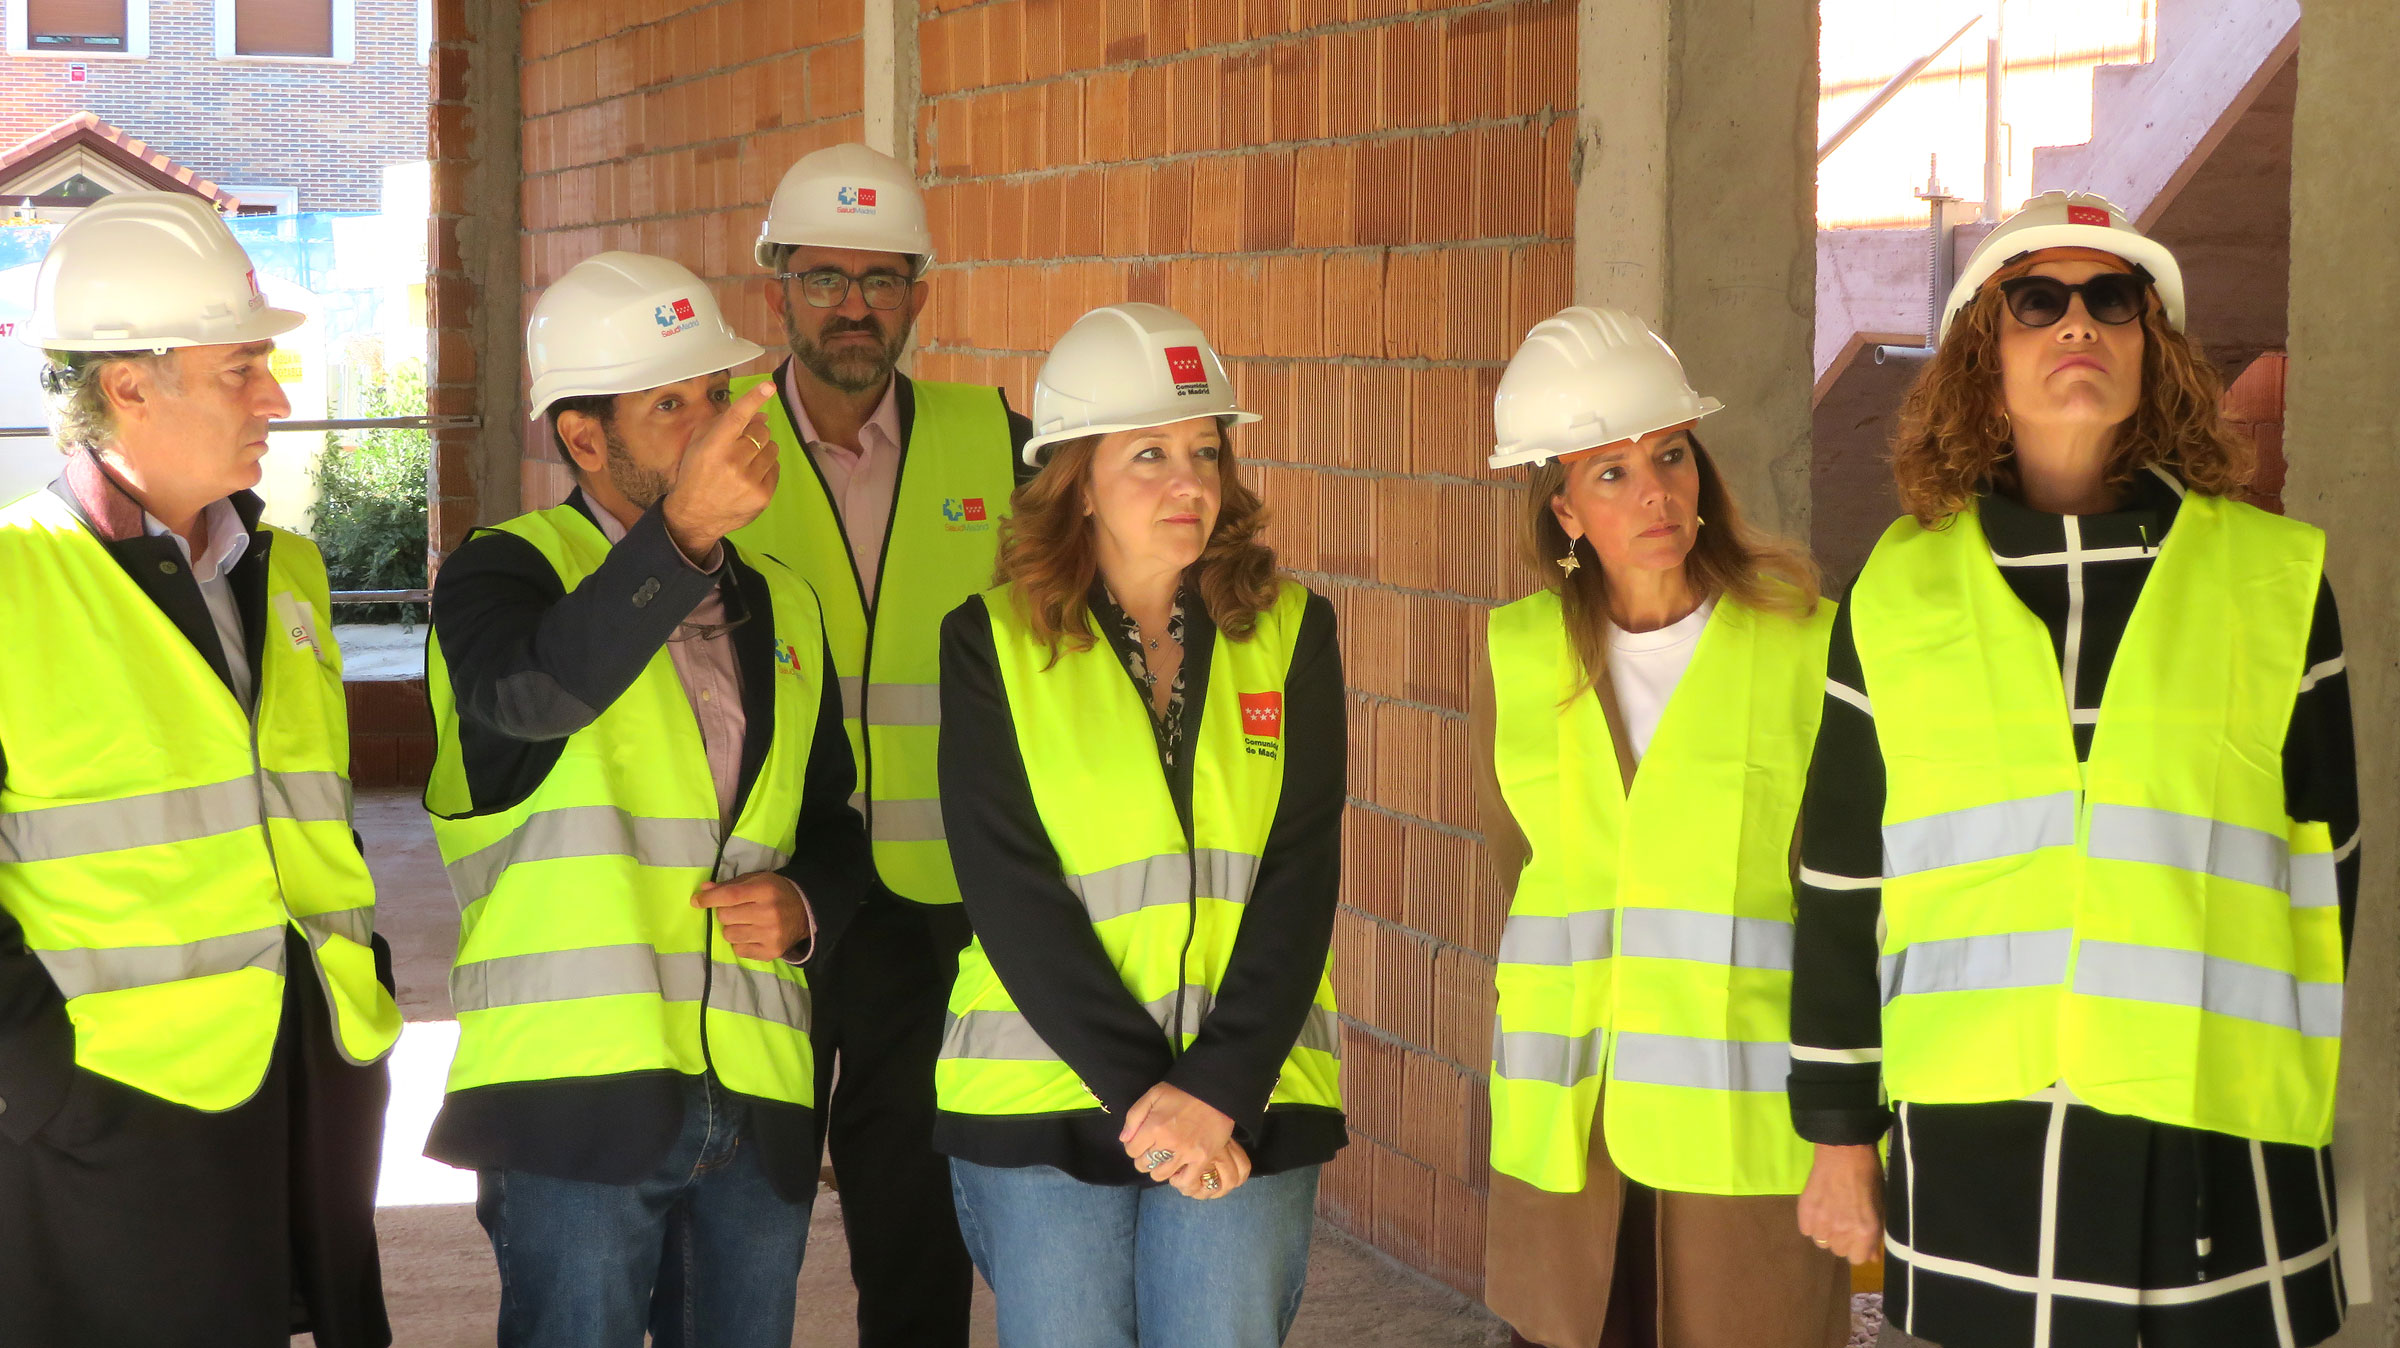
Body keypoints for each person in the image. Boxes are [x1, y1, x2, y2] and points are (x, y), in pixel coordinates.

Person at [1789, 192, 2357, 1348]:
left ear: (2157, 348)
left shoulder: (2277, 585)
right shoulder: (1897, 597)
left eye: (2114, 300)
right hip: (1977, 1128)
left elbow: (2332, 871)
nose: (2078, 323)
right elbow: (1843, 884)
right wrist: (1840, 1134)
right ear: (1980, 357)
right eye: (2036, 300)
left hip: (2210, 1121)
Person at [422, 250, 874, 1348]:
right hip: (577, 1097)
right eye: (671, 404)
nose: (717, 422)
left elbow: (834, 821)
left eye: (717, 394)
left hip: (758, 1086)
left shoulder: (786, 603)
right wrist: (679, 541)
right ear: (585, 439)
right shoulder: (501, 573)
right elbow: (535, 694)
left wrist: (809, 899)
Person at [0, 191, 402, 1346]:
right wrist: (40, 1078)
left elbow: (306, 812)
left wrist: (357, 975)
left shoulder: (287, 573)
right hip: (115, 1112)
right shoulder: (18, 581)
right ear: (129, 383)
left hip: (310, 1074)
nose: (277, 398)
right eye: (243, 368)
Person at [933, 303, 1346, 1347]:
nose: (1190, 482)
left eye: (1206, 450)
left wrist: (1214, 1092)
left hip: (1244, 1084)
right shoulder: (989, 643)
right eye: (1150, 453)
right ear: (1075, 478)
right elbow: (1008, 887)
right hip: (1043, 1081)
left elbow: (1300, 873)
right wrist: (1155, 1104)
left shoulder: (1293, 630)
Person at [1474, 306, 1851, 1348]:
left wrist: (1853, 1121)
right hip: (1572, 1129)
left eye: (1671, 455)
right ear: (1561, 510)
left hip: (1741, 1128)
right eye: (1611, 472)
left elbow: (1850, 899)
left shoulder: (1808, 646)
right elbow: (1513, 878)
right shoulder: (1518, 657)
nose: (1655, 491)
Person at [732, 141, 1036, 1347]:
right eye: (823, 278)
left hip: (939, 909)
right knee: (744, 1222)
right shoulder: (718, 444)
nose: (853, 306)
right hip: (770, 893)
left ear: (921, 295)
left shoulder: (997, 443)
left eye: (882, 278)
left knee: (915, 1231)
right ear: (777, 293)